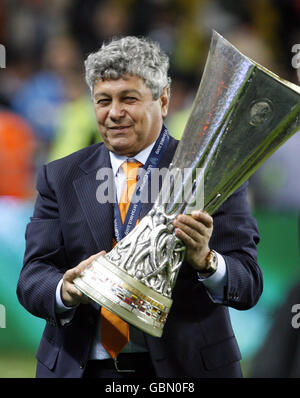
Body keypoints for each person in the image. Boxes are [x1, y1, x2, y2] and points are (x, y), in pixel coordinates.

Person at [17, 36, 262, 378]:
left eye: (128, 98)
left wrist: (208, 262)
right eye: (103, 100)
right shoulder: (59, 177)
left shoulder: (208, 173)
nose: (114, 113)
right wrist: (66, 290)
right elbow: (32, 278)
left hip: (183, 369)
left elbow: (248, 282)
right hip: (84, 368)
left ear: (163, 100)